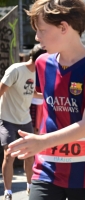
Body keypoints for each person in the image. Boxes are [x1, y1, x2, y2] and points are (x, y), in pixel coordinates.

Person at [7, 1, 85, 200]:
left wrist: (41, 141)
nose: (37, 37)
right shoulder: (42, 62)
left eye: (41, 30)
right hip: (46, 168)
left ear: (63, 27)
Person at [0, 44, 45, 200]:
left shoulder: (35, 73)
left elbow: (31, 93)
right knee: (9, 155)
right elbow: (0, 90)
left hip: (25, 120)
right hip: (7, 119)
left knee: (30, 154)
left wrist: (49, 96)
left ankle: (30, 186)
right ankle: (8, 191)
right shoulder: (16, 70)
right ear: (39, 59)